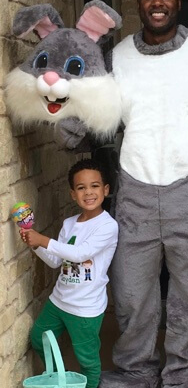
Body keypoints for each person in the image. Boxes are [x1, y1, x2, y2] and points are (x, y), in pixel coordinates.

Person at [56, 0, 188, 388]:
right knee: (132, 293)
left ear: (178, 1)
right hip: (135, 190)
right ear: (139, 3)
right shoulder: (118, 56)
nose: (157, 2)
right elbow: (98, 112)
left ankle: (184, 374)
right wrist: (68, 119)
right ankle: (136, 371)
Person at [20, 158, 119, 388]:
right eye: (81, 187)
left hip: (86, 308)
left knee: (88, 360)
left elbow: (80, 253)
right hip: (59, 301)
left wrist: (44, 239)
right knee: (39, 338)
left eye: (95, 186)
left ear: (106, 189)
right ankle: (59, 379)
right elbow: (56, 261)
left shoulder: (107, 226)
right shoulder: (69, 223)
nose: (88, 192)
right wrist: (36, 245)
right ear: (73, 194)